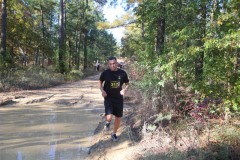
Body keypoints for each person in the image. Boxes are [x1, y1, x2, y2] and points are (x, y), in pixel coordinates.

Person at [99, 56, 129, 142]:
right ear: (108, 64)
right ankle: (108, 122)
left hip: (119, 99)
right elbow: (100, 82)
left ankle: (114, 133)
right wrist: (102, 91)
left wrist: (124, 90)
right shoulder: (105, 73)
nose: (112, 65)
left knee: (118, 117)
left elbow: (127, 84)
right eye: (110, 64)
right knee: (109, 117)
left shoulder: (123, 73)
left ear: (117, 63)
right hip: (108, 98)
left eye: (114, 63)